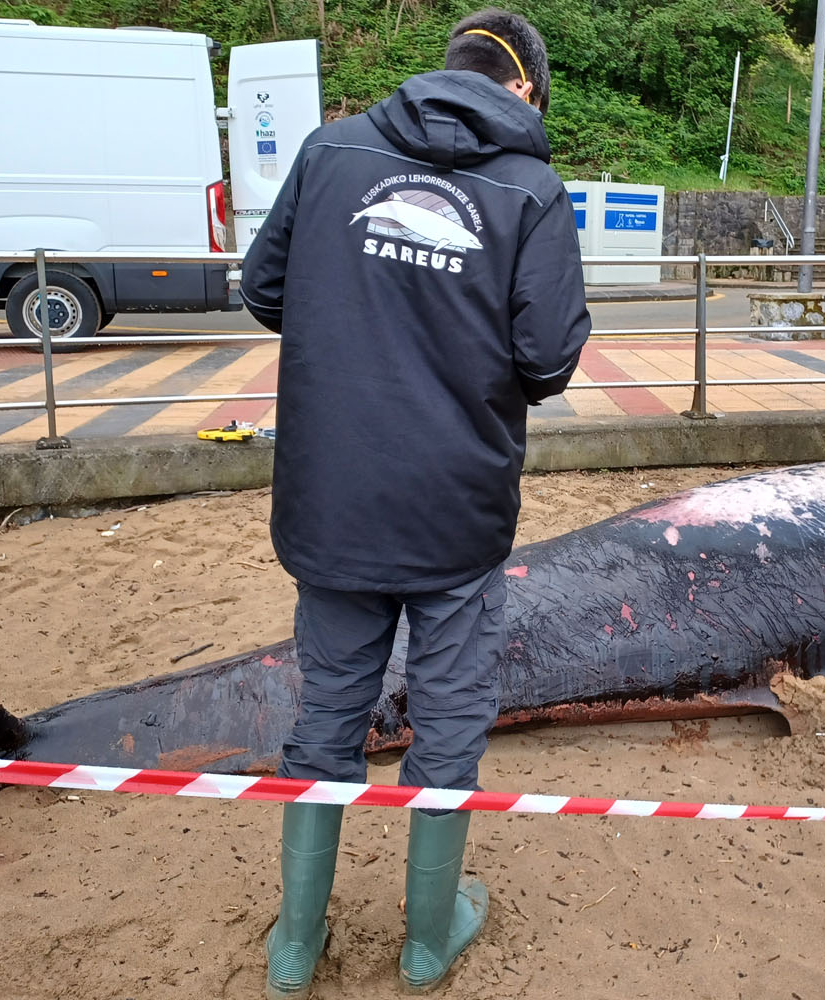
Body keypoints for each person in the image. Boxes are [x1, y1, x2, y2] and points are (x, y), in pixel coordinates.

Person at [238, 8, 591, 997]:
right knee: (446, 718)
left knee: (327, 713)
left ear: (453, 69)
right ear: (523, 90)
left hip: (331, 498)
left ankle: (294, 946)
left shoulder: (330, 149)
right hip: (454, 508)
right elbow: (549, 358)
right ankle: (428, 941)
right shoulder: (528, 188)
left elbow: (264, 289)